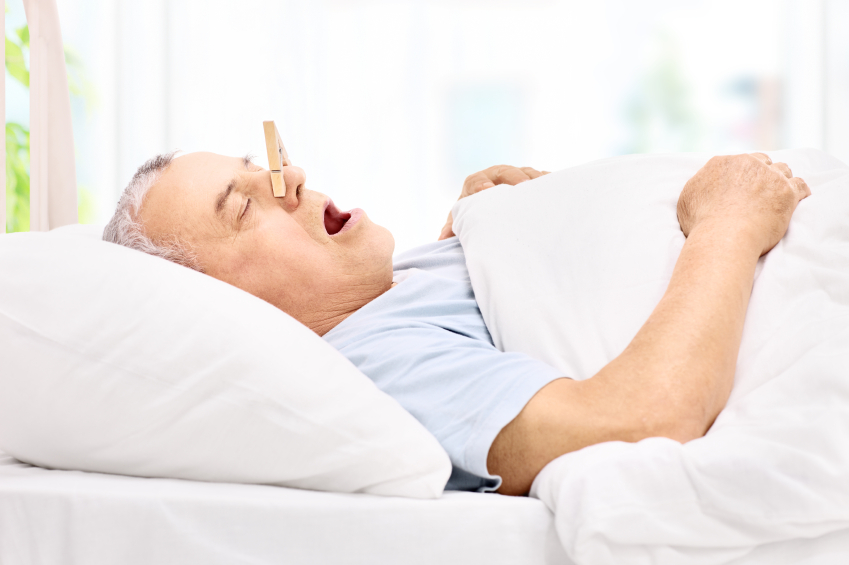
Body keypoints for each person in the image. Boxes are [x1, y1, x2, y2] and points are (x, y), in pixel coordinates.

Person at [103, 151, 810, 496]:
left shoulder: (379, 294)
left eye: (262, 167)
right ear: (227, 308)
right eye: (244, 206)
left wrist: (485, 228)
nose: (290, 180)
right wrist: (728, 223)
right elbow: (638, 418)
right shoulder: (373, 368)